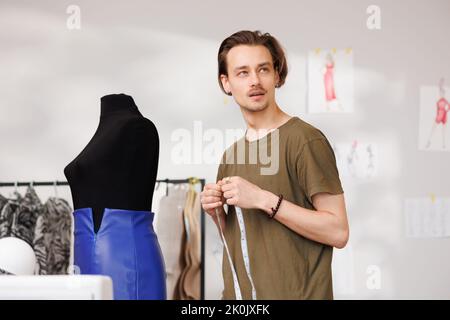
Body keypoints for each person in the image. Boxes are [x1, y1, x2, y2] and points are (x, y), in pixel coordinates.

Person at [200, 30, 349, 300]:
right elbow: (245, 241)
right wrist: (217, 214)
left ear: (277, 75)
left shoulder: (305, 140)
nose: (255, 81)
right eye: (242, 73)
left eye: (263, 70)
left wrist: (262, 198)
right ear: (226, 83)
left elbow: (338, 231)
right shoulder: (231, 156)